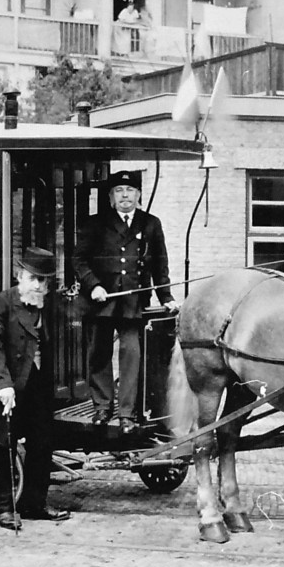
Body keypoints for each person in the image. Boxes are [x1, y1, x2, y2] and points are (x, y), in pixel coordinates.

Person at [0, 247, 70, 530]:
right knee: (5, 444)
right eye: (33, 279)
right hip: (4, 386)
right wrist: (3, 385)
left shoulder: (47, 305)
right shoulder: (0, 304)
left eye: (43, 281)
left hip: (36, 383)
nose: (38, 286)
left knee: (42, 443)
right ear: (19, 276)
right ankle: (3, 508)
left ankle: (35, 503)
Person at [73, 170, 178, 435]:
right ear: (110, 197)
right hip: (101, 302)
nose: (125, 196)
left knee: (132, 354)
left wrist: (167, 297)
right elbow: (79, 260)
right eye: (118, 191)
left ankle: (127, 413)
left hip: (133, 303)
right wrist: (93, 285)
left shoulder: (150, 223)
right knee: (99, 354)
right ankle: (102, 407)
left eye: (129, 191)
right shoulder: (95, 223)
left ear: (138, 195)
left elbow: (160, 264)